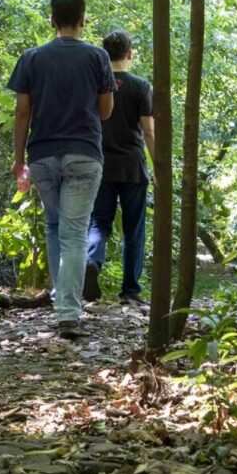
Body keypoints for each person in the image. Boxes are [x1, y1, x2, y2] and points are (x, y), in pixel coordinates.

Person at [7, 0, 117, 339]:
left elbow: (22, 113)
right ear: (83, 20)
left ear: (52, 20)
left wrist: (18, 160)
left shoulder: (31, 58)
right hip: (84, 154)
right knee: (74, 233)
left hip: (42, 155)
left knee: (55, 228)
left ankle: (61, 301)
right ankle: (68, 313)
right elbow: (106, 111)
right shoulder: (98, 57)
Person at [82, 29, 155, 306]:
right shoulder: (140, 86)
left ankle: (92, 261)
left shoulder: (94, 84)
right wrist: (159, 167)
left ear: (104, 54)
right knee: (134, 229)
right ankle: (130, 290)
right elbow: (149, 130)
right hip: (132, 167)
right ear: (130, 53)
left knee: (99, 222)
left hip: (100, 164)